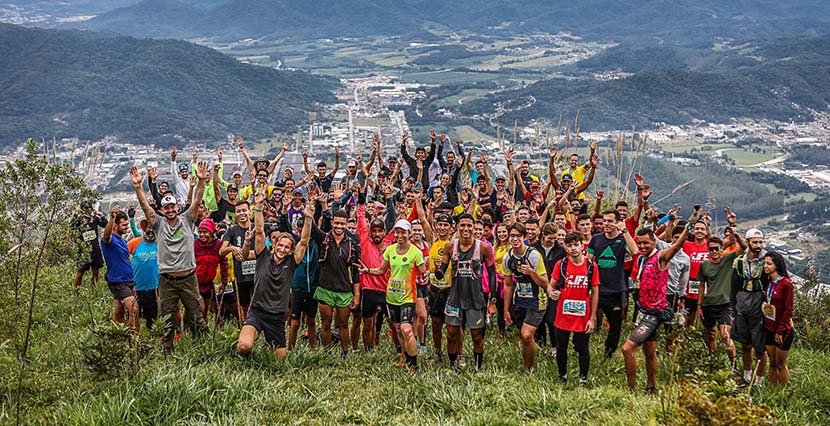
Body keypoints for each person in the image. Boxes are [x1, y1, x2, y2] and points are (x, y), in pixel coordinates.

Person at [130, 163, 210, 351]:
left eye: (172, 205)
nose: (170, 209)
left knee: (196, 315)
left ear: (177, 206)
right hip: (167, 280)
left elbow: (197, 201)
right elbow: (144, 205)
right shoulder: (158, 224)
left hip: (189, 278)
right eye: (166, 207)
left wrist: (200, 181)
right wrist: (138, 186)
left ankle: (204, 348)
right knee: (166, 317)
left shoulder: (187, 219)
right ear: (162, 210)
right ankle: (168, 351)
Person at [622, 214, 696, 393]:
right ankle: (652, 386)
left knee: (627, 349)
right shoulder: (642, 258)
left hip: (654, 313)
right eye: (640, 243)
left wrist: (689, 226)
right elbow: (633, 247)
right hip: (643, 310)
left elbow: (676, 246)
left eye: (646, 243)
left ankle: (631, 390)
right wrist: (623, 229)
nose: (642, 246)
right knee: (649, 351)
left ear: (655, 241)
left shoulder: (661, 257)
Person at [237, 188, 312, 361]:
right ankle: (249, 349)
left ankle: (268, 344)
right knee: (243, 347)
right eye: (280, 245)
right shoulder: (263, 255)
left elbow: (304, 240)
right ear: (275, 244)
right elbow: (260, 231)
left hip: (277, 316)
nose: (282, 249)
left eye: (287, 247)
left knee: (279, 360)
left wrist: (308, 218)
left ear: (290, 250)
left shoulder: (292, 262)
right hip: (257, 311)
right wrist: (258, 205)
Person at [360, 220, 428, 372]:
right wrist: (368, 270)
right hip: (392, 297)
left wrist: (425, 277)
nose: (400, 235)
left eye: (403, 232)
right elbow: (381, 270)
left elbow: (423, 272)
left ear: (409, 234)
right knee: (397, 330)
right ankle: (404, 358)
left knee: (406, 330)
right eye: (397, 232)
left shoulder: (415, 252)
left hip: (408, 298)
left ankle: (413, 365)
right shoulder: (390, 250)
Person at [434, 214, 498, 371]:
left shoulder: (482, 248)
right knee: (451, 334)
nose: (466, 229)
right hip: (454, 297)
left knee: (477, 336)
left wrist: (492, 300)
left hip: (475, 299)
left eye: (469, 225)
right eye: (462, 225)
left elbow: (492, 273)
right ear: (457, 227)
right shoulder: (450, 246)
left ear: (474, 228)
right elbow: (442, 269)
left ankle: (478, 367)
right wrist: (438, 272)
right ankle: (453, 365)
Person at [587, 210, 638, 358]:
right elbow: (588, 262)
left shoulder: (622, 240)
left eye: (610, 221)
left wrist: (625, 230)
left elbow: (634, 251)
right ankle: (584, 350)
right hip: (597, 289)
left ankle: (608, 355)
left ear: (617, 222)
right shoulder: (596, 239)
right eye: (605, 221)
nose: (606, 224)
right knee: (587, 321)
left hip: (617, 290)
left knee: (615, 326)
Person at [551, 232, 600, 384]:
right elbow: (550, 285)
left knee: (582, 348)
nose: (573, 248)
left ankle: (583, 378)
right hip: (563, 313)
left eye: (576, 245)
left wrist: (592, 318)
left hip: (583, 314)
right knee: (561, 347)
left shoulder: (591, 266)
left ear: (582, 246)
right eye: (570, 245)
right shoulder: (561, 265)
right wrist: (551, 293)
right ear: (565, 247)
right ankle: (562, 376)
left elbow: (596, 293)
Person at [312, 209, 361, 357]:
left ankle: (345, 352)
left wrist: (357, 294)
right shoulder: (324, 239)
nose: (339, 226)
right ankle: (327, 352)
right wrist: (311, 211)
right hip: (325, 288)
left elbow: (356, 271)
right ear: (332, 222)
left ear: (347, 224)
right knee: (326, 322)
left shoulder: (352, 244)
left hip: (344, 290)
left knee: (343, 323)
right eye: (337, 223)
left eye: (342, 223)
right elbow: (313, 229)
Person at [501, 223, 549, 373]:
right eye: (512, 236)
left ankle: (529, 369)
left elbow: (545, 282)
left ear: (524, 237)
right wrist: (506, 309)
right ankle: (529, 361)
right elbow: (508, 285)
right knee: (524, 337)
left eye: (518, 236)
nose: (515, 239)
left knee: (526, 335)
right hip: (520, 300)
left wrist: (531, 273)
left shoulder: (533, 255)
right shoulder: (507, 258)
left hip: (537, 300)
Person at [697, 234, 746, 365]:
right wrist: (699, 305)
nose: (714, 252)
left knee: (725, 335)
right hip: (707, 304)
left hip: (724, 304)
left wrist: (736, 235)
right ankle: (713, 360)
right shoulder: (704, 265)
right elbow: (702, 285)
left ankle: (733, 365)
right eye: (711, 249)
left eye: (716, 248)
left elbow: (744, 246)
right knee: (710, 335)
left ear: (721, 249)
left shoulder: (728, 260)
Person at [731, 228, 770, 387]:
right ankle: (747, 376)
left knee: (760, 347)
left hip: (759, 304)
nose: (758, 245)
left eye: (760, 242)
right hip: (742, 304)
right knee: (745, 343)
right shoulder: (739, 262)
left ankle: (759, 380)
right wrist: (732, 308)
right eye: (755, 242)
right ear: (748, 243)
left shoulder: (767, 261)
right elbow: (733, 286)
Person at [101, 209, 140, 332]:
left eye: (127, 225)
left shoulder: (123, 241)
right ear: (115, 226)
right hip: (118, 281)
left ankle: (115, 338)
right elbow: (106, 236)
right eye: (124, 225)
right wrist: (112, 218)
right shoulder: (109, 241)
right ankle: (134, 338)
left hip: (129, 280)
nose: (127, 228)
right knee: (134, 309)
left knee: (118, 313)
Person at [762, 252, 794, 386]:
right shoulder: (768, 282)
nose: (765, 266)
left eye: (769, 264)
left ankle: (784, 390)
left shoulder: (786, 284)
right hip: (769, 327)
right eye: (764, 263)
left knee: (781, 363)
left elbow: (788, 310)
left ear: (777, 265)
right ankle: (773, 390)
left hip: (782, 330)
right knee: (772, 361)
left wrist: (780, 331)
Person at [220, 201, 256, 320]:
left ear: (249, 211)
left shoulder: (257, 228)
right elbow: (221, 251)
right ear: (235, 214)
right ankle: (244, 328)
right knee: (244, 306)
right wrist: (232, 248)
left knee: (258, 304)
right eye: (238, 211)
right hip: (241, 275)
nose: (242, 213)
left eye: (244, 210)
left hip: (258, 273)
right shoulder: (232, 231)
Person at [194, 219, 229, 327]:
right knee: (197, 309)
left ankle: (203, 332)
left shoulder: (218, 244)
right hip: (195, 283)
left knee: (205, 310)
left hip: (209, 283)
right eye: (200, 232)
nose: (201, 235)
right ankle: (188, 331)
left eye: (205, 232)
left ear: (211, 232)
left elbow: (224, 262)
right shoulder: (195, 245)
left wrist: (224, 281)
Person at [128, 218, 159, 329]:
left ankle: (151, 338)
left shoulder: (160, 244)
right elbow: (122, 255)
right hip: (138, 286)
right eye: (149, 227)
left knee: (152, 317)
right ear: (144, 228)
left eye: (153, 228)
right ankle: (136, 339)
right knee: (135, 313)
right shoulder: (135, 243)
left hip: (155, 287)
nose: (151, 231)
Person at [73, 204, 107, 289]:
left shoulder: (94, 219)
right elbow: (71, 227)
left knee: (96, 272)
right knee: (80, 273)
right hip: (83, 250)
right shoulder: (78, 221)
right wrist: (76, 215)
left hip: (95, 249)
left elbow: (104, 224)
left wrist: (101, 215)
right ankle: (76, 291)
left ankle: (93, 289)